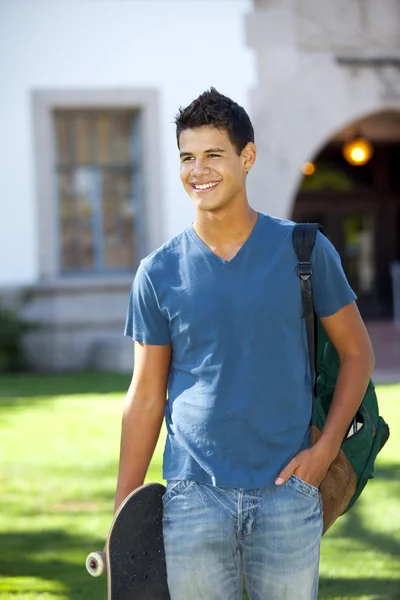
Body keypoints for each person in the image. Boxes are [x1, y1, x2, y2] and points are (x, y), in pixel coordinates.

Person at [114, 88, 375, 600]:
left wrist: (323, 452)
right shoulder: (158, 272)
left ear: (246, 157)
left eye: (213, 154)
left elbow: (357, 353)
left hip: (288, 491)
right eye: (187, 157)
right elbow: (145, 394)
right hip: (192, 496)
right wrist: (126, 508)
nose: (198, 169)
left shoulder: (303, 250)